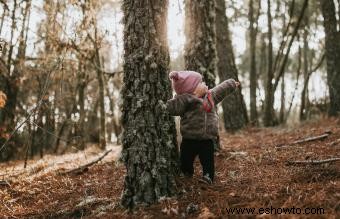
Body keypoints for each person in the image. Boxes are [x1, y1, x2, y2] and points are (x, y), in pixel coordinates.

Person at [166, 71, 240, 184]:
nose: (204, 83)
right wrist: (163, 105)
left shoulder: (210, 96)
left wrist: (231, 84)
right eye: (200, 83)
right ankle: (186, 173)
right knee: (186, 158)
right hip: (189, 138)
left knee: (208, 159)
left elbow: (221, 90)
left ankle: (208, 176)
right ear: (191, 88)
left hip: (207, 139)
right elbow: (173, 107)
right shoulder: (186, 99)